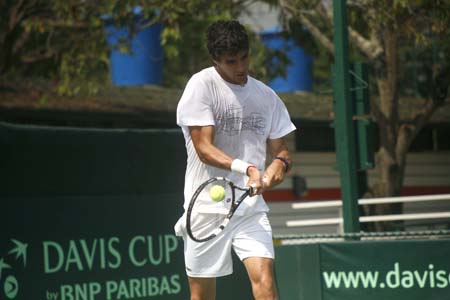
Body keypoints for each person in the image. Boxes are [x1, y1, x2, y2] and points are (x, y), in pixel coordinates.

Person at [174, 19, 296, 300]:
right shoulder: (201, 86)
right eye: (231, 61)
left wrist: (279, 165)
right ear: (216, 60)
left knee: (265, 281)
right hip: (204, 208)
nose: (241, 68)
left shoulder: (267, 96)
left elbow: (282, 150)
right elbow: (203, 147)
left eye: (244, 58)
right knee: (202, 296)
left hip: (249, 209)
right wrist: (248, 168)